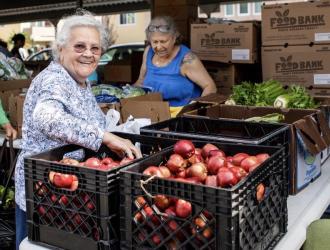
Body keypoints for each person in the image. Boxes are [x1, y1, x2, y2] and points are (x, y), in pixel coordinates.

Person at [14, 10, 142, 249]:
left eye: (95, 48)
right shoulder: (55, 79)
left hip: (70, 192)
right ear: (60, 49)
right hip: (44, 192)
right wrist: (103, 136)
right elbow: (46, 116)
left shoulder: (80, 82)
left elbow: (87, 122)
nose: (88, 54)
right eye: (80, 46)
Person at [134, 16, 217, 117]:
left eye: (163, 41)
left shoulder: (187, 59)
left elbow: (210, 87)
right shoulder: (148, 52)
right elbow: (140, 82)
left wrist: (195, 111)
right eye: (155, 42)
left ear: (174, 38)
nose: (159, 47)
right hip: (152, 113)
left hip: (181, 118)